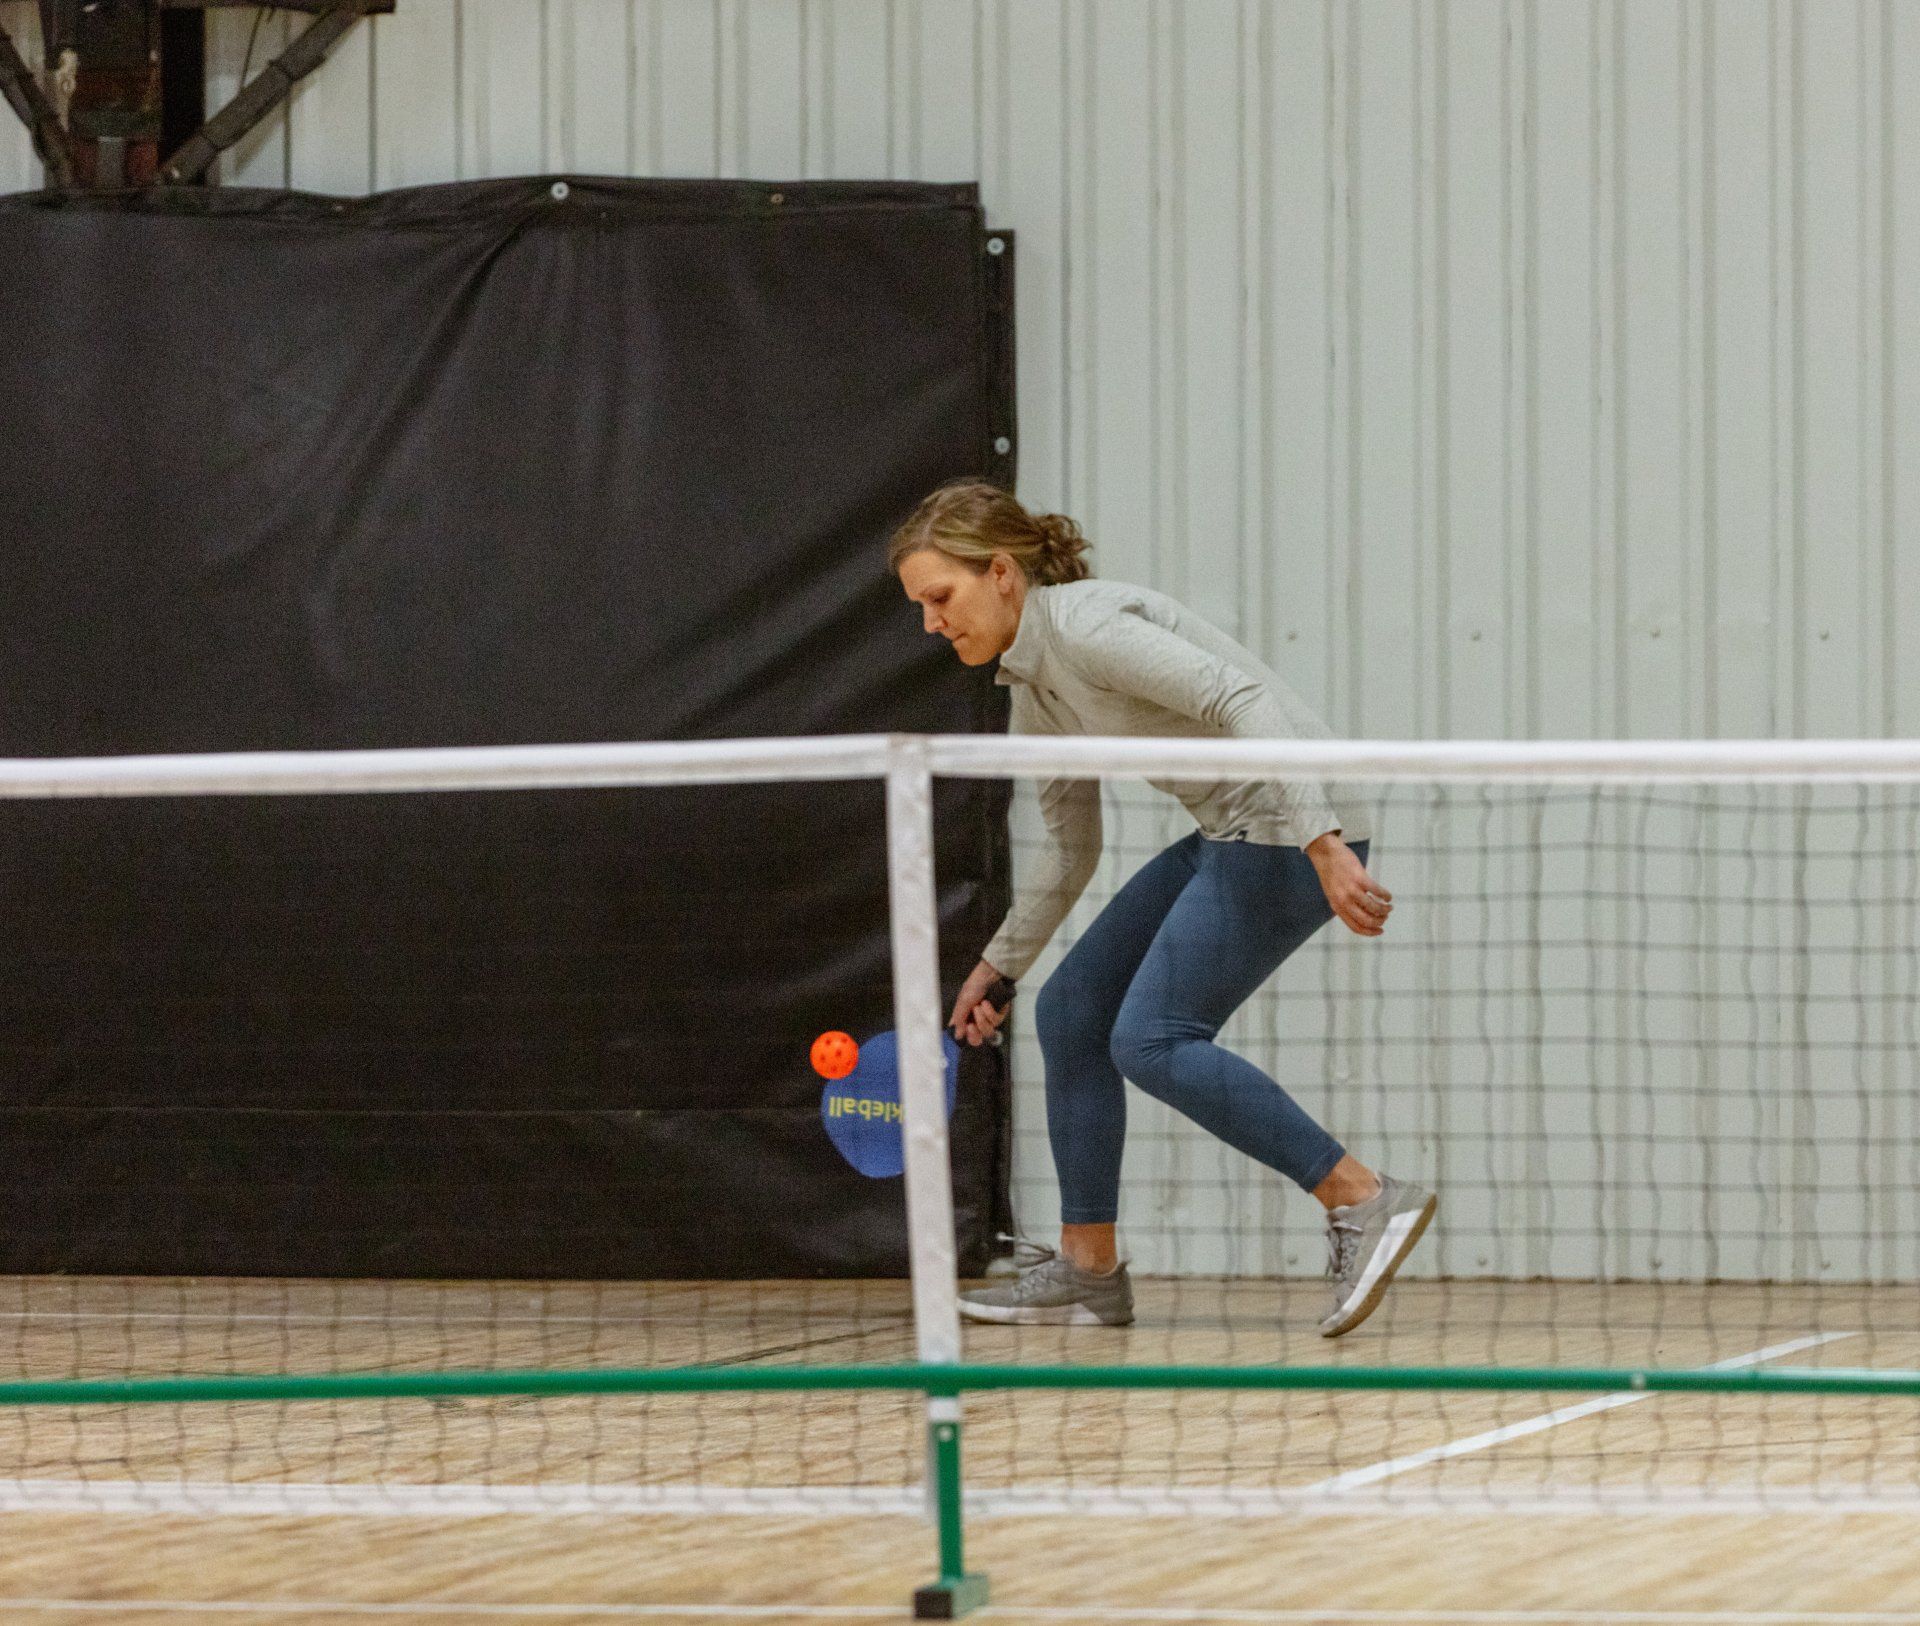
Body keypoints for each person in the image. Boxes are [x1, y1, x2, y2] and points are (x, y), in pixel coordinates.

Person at [890, 480, 1435, 1337]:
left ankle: (1362, 1197)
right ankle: (1090, 1266)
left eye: (939, 598)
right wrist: (998, 967)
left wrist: (1322, 841)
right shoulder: (1033, 688)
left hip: (1295, 829)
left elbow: (1240, 699)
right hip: (1233, 830)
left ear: (1000, 573)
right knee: (1071, 1010)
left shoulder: (1087, 627)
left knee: (1150, 1038)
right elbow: (1072, 847)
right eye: (920, 607)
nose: (930, 622)